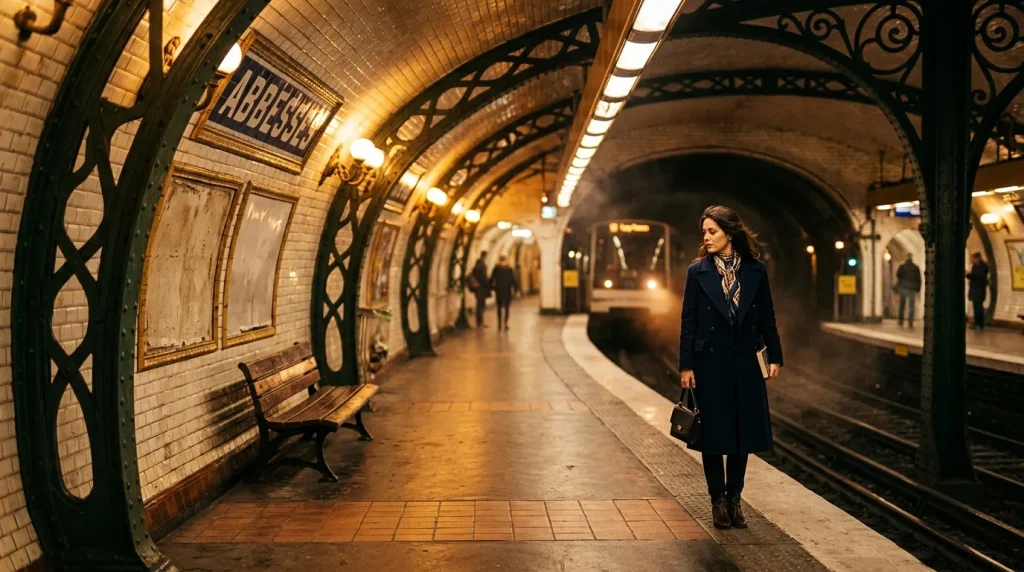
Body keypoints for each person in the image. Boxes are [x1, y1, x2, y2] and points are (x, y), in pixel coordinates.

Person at [678, 205, 783, 530]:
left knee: (742, 435)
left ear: (729, 232)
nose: (706, 237)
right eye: (704, 232)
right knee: (712, 435)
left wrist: (775, 355)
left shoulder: (755, 270)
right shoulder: (698, 272)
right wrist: (686, 365)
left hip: (746, 363)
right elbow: (689, 322)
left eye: (712, 231)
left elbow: (767, 315)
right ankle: (717, 500)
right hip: (709, 363)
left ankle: (735, 498)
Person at [490, 255, 520, 330]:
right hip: (507, 290)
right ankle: (506, 323)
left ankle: (499, 324)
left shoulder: (496, 269)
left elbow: (491, 279)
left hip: (499, 290)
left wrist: (492, 288)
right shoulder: (509, 269)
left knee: (499, 307)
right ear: (505, 260)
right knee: (507, 308)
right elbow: (513, 280)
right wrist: (516, 290)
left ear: (500, 260)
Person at [895, 254, 921, 328]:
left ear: (906, 258)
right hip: (912, 289)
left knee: (902, 305)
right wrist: (918, 290)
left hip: (903, 287)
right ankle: (910, 322)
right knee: (911, 306)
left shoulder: (902, 266)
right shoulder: (916, 267)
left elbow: (898, 275)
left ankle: (901, 321)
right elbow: (919, 280)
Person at [966, 252, 989, 330]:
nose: (970, 260)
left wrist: (968, 274)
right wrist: (968, 275)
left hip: (979, 290)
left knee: (978, 308)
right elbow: (974, 277)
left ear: (976, 258)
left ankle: (979, 324)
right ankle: (977, 323)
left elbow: (978, 277)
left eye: (971, 258)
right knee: (976, 307)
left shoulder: (982, 266)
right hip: (975, 290)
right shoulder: (975, 266)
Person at [469, 251, 492, 328]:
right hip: (481, 288)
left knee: (479, 305)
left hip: (478, 288)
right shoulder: (482, 265)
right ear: (485, 256)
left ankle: (479, 323)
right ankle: (480, 323)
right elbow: (484, 278)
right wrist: (489, 285)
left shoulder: (477, 264)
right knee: (481, 305)